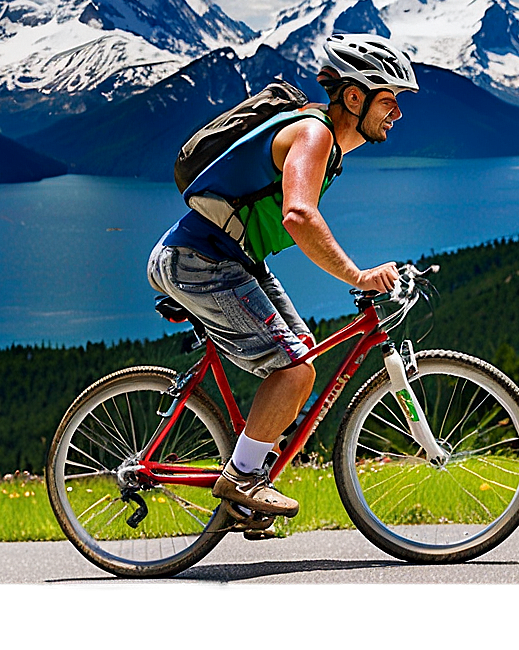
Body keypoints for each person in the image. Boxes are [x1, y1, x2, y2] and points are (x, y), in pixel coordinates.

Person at [147, 33, 419, 522]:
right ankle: (243, 479)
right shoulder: (314, 134)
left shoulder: (328, 143)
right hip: (201, 259)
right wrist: (357, 275)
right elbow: (298, 215)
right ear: (353, 97)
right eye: (388, 100)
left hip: (229, 258)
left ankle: (248, 489)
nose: (397, 113)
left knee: (302, 355)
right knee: (295, 368)